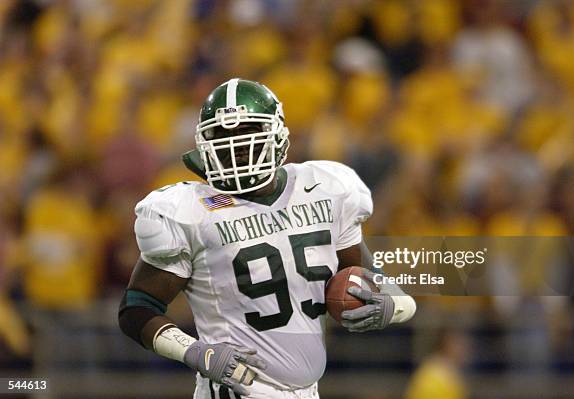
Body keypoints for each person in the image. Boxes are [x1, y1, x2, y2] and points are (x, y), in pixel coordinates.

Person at [118, 78, 416, 398]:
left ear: (276, 137)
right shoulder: (189, 210)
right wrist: (195, 351)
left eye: (246, 135)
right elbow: (137, 309)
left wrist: (394, 305)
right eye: (223, 136)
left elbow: (379, 284)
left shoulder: (324, 190)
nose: (236, 147)